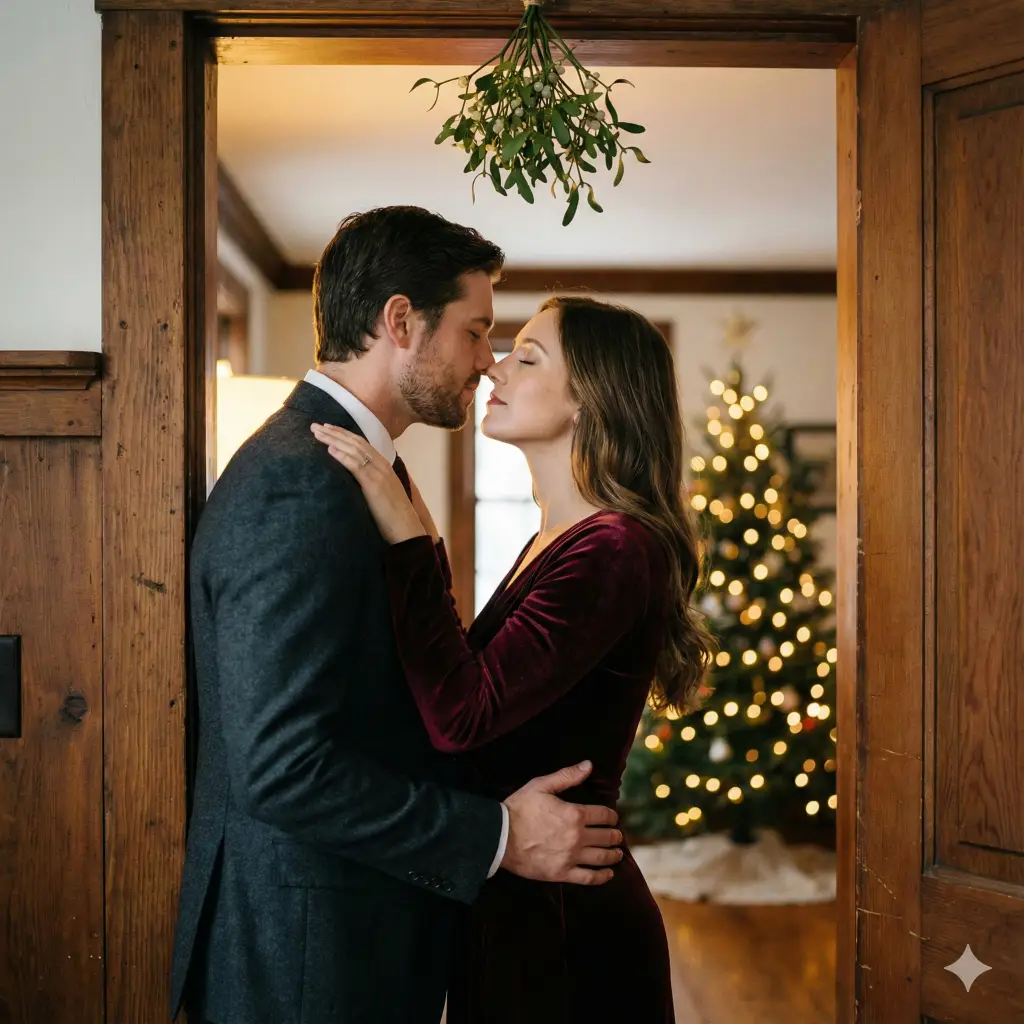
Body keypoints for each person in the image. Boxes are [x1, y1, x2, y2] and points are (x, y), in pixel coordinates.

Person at [169, 207, 626, 1024]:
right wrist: (497, 837)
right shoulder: (301, 483)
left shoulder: (347, 472)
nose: (485, 364)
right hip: (306, 959)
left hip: (343, 941)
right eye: (477, 332)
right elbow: (281, 766)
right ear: (401, 322)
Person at [312, 294, 714, 1022]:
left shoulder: (613, 548)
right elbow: (475, 692)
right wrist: (427, 549)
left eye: (526, 357)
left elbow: (461, 716)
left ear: (590, 402)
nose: (495, 365)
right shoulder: (558, 540)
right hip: (520, 902)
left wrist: (410, 549)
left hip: (567, 930)